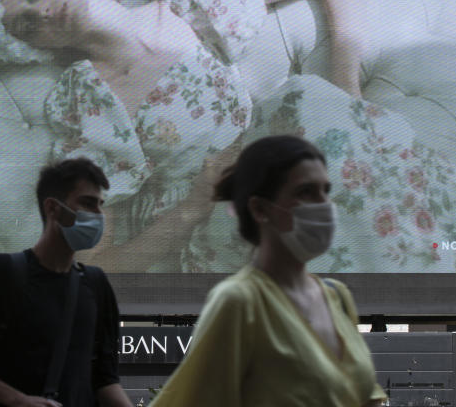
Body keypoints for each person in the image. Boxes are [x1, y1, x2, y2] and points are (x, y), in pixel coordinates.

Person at [0, 0, 366, 270]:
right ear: (31, 46)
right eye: (23, 24)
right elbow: (96, 262)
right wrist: (196, 203)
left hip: (286, 167)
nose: (38, 13)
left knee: (311, 105)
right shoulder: (83, 104)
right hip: (223, 219)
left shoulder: (189, 1)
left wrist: (348, 90)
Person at [150, 135, 388, 407]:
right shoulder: (240, 302)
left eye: (325, 190)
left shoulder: (338, 297)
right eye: (305, 192)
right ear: (260, 209)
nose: (324, 205)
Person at [0, 158, 133, 407]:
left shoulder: (96, 284)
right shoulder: (4, 271)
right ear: (53, 208)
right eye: (87, 203)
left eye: (100, 205)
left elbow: (106, 380)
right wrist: (19, 401)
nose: (99, 215)